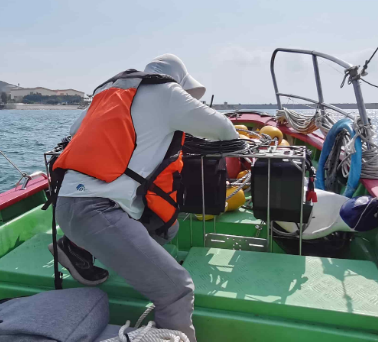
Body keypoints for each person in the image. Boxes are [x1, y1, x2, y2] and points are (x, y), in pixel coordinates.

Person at [49, 54, 238, 342]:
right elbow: (224, 129)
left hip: (67, 205)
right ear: (180, 80)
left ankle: (75, 247)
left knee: (161, 229)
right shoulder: (167, 91)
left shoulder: (108, 91)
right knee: (178, 289)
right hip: (98, 212)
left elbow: (75, 132)